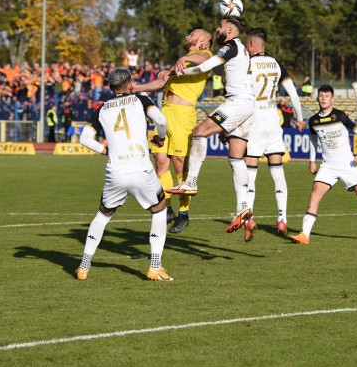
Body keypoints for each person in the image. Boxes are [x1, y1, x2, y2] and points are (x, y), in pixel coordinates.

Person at [75, 67, 173, 281]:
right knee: (159, 211)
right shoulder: (141, 99)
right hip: (140, 169)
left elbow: (84, 139)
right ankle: (155, 266)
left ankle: (84, 266)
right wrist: (161, 138)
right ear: (130, 84)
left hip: (116, 171)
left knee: (102, 216)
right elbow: (162, 121)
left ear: (111, 86)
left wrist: (105, 150)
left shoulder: (101, 109)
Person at [166, 15, 256, 234]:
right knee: (236, 158)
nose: (217, 29)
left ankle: (191, 181)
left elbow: (205, 66)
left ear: (231, 30)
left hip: (238, 102)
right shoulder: (240, 47)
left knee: (199, 132)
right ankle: (243, 207)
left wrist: (179, 70)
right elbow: (217, 68)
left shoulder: (230, 46)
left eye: (221, 26)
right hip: (248, 105)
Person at [289, 85, 357, 245]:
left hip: (347, 164)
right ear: (318, 98)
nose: (323, 98)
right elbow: (313, 141)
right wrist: (312, 161)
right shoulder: (313, 121)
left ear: (332, 99)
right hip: (328, 166)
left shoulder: (340, 116)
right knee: (315, 194)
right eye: (321, 95)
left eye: (327, 95)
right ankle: (305, 235)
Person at [134, 29, 213, 234]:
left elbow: (204, 57)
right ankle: (167, 209)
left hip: (183, 115)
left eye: (193, 34)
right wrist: (134, 87)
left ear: (203, 40)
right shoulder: (183, 62)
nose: (187, 36)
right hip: (165, 113)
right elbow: (160, 83)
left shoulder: (205, 56)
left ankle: (184, 213)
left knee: (180, 164)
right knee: (160, 160)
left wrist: (181, 60)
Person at [239, 28, 306, 241]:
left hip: (254, 121)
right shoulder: (276, 63)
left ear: (251, 44)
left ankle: (249, 217)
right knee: (277, 171)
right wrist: (300, 117)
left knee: (250, 172)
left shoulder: (247, 63)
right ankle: (282, 219)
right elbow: (293, 93)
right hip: (272, 121)